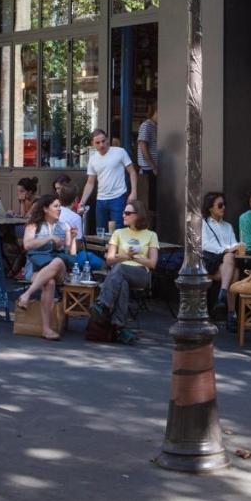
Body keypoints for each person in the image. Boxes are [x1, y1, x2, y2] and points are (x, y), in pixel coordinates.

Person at [89, 201, 158, 344]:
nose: (123, 215)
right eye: (123, 212)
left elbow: (152, 263)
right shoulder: (118, 233)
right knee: (123, 283)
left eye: (127, 213)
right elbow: (109, 260)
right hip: (119, 275)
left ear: (138, 215)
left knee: (119, 269)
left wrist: (133, 257)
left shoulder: (151, 235)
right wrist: (126, 256)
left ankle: (103, 304)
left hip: (140, 274)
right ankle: (119, 327)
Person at [16, 194, 78, 340]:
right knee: (48, 283)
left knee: (56, 261)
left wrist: (73, 238)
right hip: (35, 267)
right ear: (45, 208)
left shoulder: (64, 227)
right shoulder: (33, 225)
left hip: (60, 268)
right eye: (55, 206)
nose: (59, 210)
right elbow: (27, 245)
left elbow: (70, 253)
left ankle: (26, 295)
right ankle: (46, 329)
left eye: (59, 207)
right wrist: (49, 238)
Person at [78, 129, 137, 234]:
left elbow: (132, 172)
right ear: (93, 143)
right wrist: (82, 202)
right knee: (100, 232)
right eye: (97, 142)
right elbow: (90, 182)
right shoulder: (93, 158)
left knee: (119, 231)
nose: (101, 144)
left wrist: (133, 192)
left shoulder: (119, 152)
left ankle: (117, 251)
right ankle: (104, 251)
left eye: (103, 141)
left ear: (108, 140)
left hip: (118, 197)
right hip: (101, 199)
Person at [201, 191, 241, 320]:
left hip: (224, 267)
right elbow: (205, 244)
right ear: (210, 207)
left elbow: (233, 243)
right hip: (209, 264)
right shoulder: (204, 224)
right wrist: (226, 250)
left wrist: (239, 246)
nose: (223, 207)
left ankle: (222, 296)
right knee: (234, 271)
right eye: (220, 205)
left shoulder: (227, 226)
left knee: (231, 264)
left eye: (224, 205)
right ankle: (231, 314)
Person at [136, 103, 159, 209]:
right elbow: (142, 145)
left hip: (153, 168)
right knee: (149, 201)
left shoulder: (155, 126)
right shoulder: (146, 125)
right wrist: (153, 166)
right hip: (148, 169)